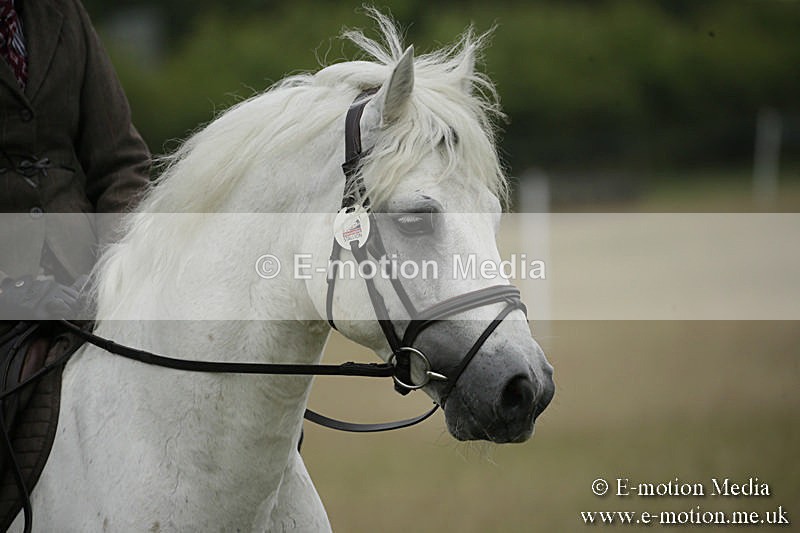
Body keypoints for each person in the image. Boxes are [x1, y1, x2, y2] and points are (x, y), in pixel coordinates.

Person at [0, 0, 150, 323]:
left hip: (84, 277)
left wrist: (116, 265)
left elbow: (122, 161)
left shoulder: (64, 11)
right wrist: (13, 292)